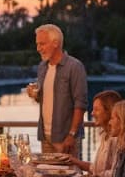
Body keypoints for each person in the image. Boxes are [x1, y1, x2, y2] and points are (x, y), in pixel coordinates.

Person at [26, 23, 88, 156]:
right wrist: (35, 95)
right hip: (45, 137)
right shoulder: (42, 67)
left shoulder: (75, 67)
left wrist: (72, 135)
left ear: (55, 43)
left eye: (42, 44)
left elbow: (80, 104)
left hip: (66, 138)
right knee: (47, 175)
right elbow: (47, 98)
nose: (38, 48)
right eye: (37, 44)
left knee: (70, 175)